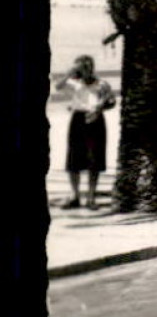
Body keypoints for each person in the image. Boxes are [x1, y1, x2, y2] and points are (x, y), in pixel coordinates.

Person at [55, 55, 115, 209]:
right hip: (78, 119)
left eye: (87, 67)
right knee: (74, 159)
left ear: (92, 68)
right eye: (81, 68)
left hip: (96, 120)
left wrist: (100, 108)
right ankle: (75, 196)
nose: (84, 71)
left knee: (94, 158)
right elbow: (58, 86)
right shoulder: (74, 83)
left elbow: (112, 101)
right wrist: (69, 72)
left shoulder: (102, 84)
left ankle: (90, 198)